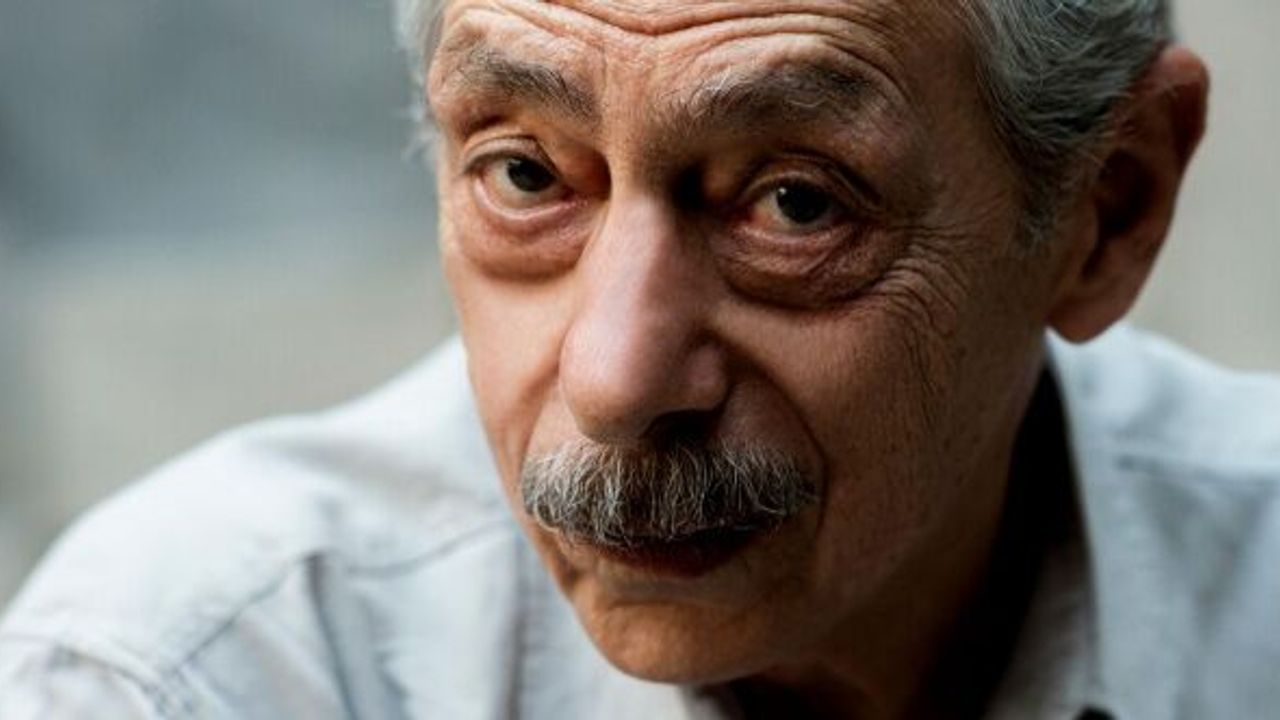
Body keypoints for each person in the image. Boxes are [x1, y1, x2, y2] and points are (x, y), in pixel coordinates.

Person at [2, 0, 1277, 717]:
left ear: (1106, 210)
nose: (613, 384)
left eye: (794, 204)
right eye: (523, 175)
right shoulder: (193, 675)